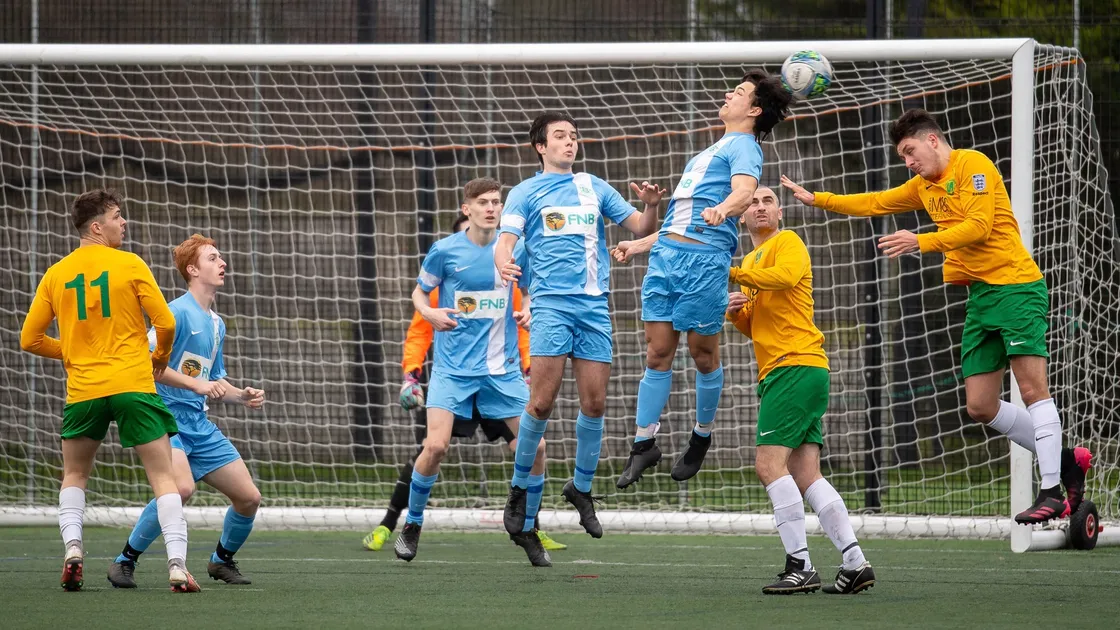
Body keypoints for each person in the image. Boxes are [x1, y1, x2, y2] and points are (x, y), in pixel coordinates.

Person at [780, 108, 1092, 525]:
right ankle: (1067, 460)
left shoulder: (972, 166)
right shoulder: (923, 186)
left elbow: (979, 226)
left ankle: (1052, 490)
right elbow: (876, 202)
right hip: (981, 297)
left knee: (1033, 390)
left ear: (932, 140)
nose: (908, 162)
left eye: (910, 151)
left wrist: (921, 240)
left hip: (1016, 288)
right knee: (980, 405)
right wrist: (818, 199)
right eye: (902, 157)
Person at [612, 69, 793, 488]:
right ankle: (644, 444)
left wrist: (724, 209)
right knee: (657, 353)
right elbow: (679, 222)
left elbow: (744, 191)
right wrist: (638, 245)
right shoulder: (708, 151)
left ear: (754, 110)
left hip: (705, 262)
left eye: (739, 92)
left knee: (702, 355)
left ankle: (701, 436)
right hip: (665, 259)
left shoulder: (745, 147)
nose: (729, 94)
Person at [494, 111, 662, 539]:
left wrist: (651, 205)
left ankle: (581, 489)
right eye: (560, 136)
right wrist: (503, 261)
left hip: (593, 308)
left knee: (595, 404)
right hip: (550, 306)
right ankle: (518, 489)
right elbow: (506, 240)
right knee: (541, 404)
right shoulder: (525, 192)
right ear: (541, 146)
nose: (570, 141)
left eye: (573, 135)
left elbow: (641, 227)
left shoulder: (594, 186)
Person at [19, 189, 197, 592]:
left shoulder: (56, 273)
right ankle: (176, 565)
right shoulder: (129, 263)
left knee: (74, 474)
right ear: (97, 227)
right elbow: (166, 323)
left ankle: (73, 550)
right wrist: (160, 358)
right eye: (117, 216)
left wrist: (72, 351)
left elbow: (29, 339)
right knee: (163, 478)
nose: (124, 222)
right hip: (133, 384)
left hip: (84, 390)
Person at [362, 214, 566, 554]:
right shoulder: (442, 277)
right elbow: (419, 330)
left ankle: (531, 528)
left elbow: (520, 325)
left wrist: (529, 368)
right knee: (431, 448)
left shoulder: (508, 273)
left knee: (530, 447)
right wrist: (411, 375)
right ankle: (390, 523)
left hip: (498, 378)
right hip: (455, 379)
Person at [728, 186, 874, 594]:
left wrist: (734, 274)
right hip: (795, 370)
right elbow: (757, 324)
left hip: (793, 367)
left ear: (780, 212)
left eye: (768, 201)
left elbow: (786, 277)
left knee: (768, 465)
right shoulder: (750, 260)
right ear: (741, 216)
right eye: (752, 202)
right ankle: (855, 563)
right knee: (806, 473)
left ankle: (800, 565)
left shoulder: (787, 242)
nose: (760, 206)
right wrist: (736, 313)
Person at [107, 234, 266, 588]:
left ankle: (220, 561)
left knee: (249, 498)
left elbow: (212, 380)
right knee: (180, 490)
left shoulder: (217, 324)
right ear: (192, 270)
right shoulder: (175, 313)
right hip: (166, 420)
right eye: (213, 258)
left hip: (199, 424)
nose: (222, 262)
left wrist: (241, 395)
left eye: (220, 257)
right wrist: (196, 386)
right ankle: (124, 561)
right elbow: (147, 364)